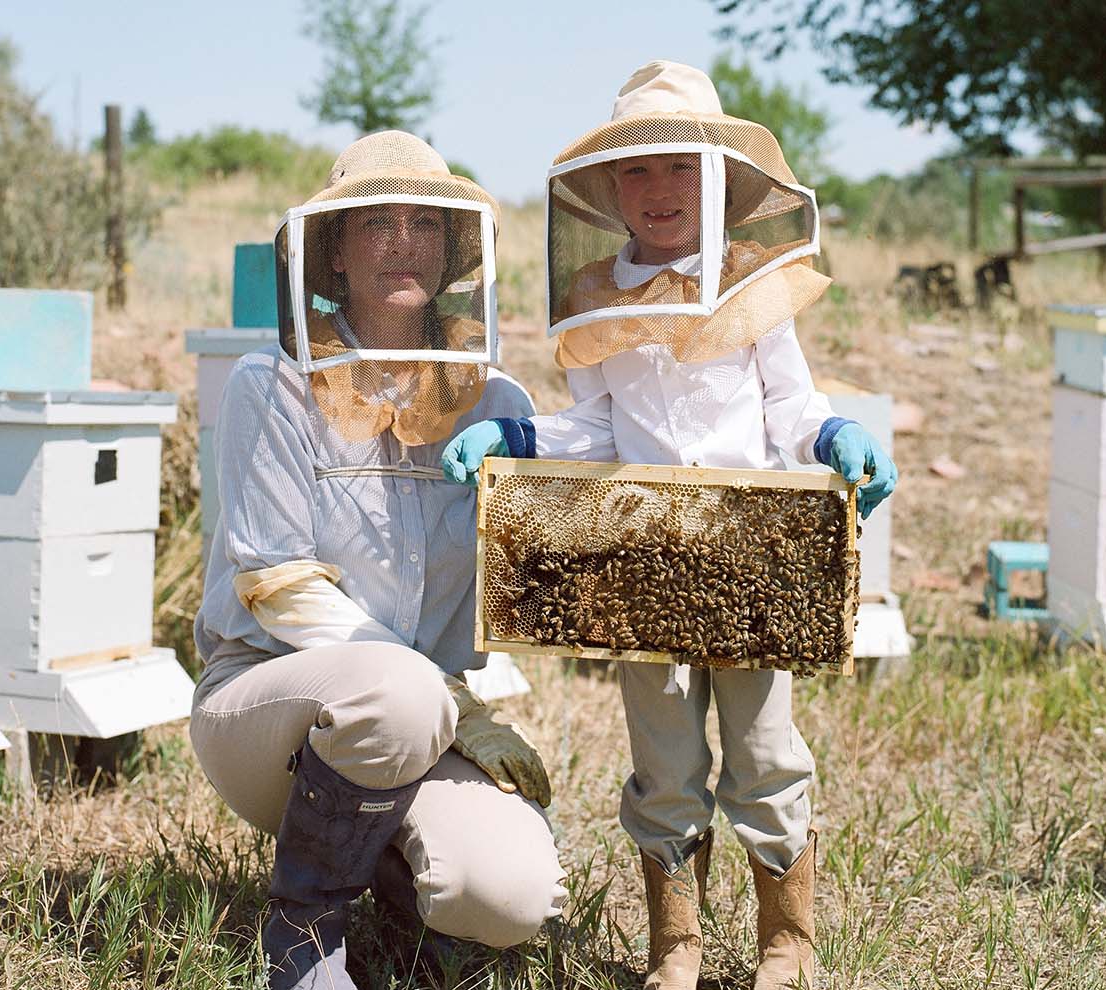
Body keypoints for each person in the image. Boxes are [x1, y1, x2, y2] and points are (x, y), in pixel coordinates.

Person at [443, 62, 897, 989]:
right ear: (609, 190)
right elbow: (600, 426)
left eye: (680, 168)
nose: (658, 190)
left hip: (751, 547)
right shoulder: (598, 296)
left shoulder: (755, 284)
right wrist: (517, 432)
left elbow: (790, 410)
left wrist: (839, 434)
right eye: (638, 172)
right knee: (664, 756)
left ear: (720, 179)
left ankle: (788, 942)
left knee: (765, 750)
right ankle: (676, 945)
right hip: (640, 549)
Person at [192, 130, 566, 990]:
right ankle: (302, 928)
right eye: (375, 224)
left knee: (510, 898)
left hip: (426, 715)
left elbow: (534, 570)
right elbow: (280, 589)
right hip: (273, 705)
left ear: (453, 248)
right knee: (396, 693)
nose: (403, 242)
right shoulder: (274, 385)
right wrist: (448, 700)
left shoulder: (500, 401)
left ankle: (392, 879)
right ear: (333, 253)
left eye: (424, 224)